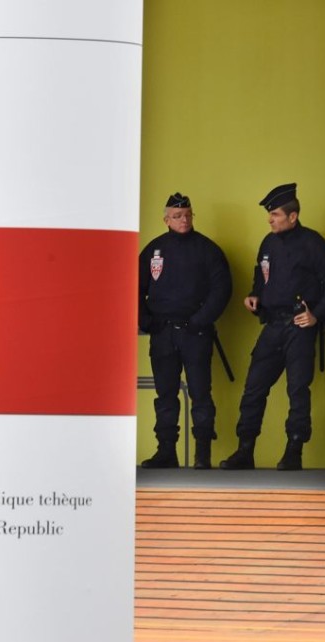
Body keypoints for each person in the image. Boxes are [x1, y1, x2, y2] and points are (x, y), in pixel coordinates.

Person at [220, 183, 325, 471]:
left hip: (299, 327)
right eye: (270, 215)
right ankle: (245, 450)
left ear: (293, 216)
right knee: (253, 389)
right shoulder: (268, 242)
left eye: (275, 214)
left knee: (297, 390)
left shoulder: (314, 244)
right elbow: (261, 276)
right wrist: (255, 297)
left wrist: (318, 315)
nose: (270, 219)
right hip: (272, 325)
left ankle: (294, 451)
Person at [139, 192, 232, 469]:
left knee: (200, 393)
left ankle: (202, 453)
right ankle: (166, 450)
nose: (184, 220)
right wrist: (147, 322)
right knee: (165, 394)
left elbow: (222, 290)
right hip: (163, 333)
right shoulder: (153, 250)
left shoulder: (208, 250)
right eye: (178, 216)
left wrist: (200, 321)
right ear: (166, 219)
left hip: (195, 333)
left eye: (188, 215)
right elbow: (134, 288)